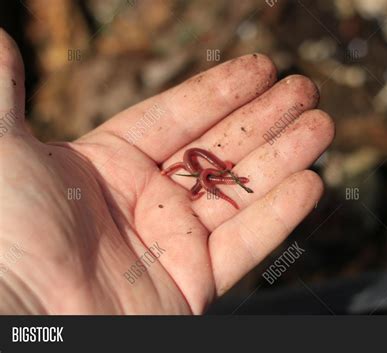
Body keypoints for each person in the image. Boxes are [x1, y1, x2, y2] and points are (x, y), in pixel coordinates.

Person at [0, 28, 334, 314]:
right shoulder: (202, 174)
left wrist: (21, 291)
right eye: (210, 183)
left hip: (202, 166)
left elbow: (203, 174)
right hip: (197, 165)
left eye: (215, 180)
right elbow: (195, 172)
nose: (211, 183)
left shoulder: (209, 173)